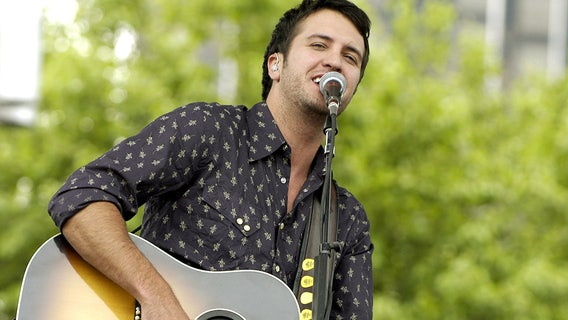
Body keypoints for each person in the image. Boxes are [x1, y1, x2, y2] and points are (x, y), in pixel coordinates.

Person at [48, 0, 373, 319]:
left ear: (353, 86)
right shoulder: (208, 131)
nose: (335, 61)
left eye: (350, 56)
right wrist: (154, 295)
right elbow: (82, 196)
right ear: (276, 64)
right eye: (319, 45)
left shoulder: (346, 220)